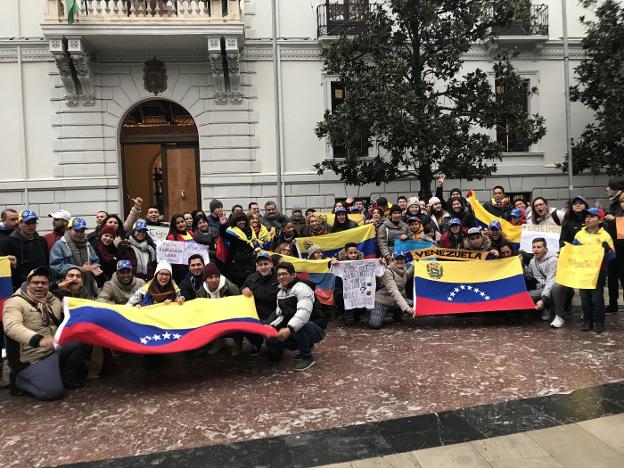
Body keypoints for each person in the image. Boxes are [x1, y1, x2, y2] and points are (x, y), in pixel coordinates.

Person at [2, 266, 91, 400]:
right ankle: (19, 380)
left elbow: (76, 309)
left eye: (43, 283)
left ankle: (66, 379)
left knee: (81, 340)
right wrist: (38, 340)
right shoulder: (14, 303)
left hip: (52, 349)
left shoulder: (53, 301)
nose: (39, 286)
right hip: (32, 359)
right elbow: (12, 327)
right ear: (27, 284)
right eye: (35, 283)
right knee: (53, 392)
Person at [266, 262, 326, 372]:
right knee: (275, 339)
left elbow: (303, 313)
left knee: (300, 324)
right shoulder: (280, 293)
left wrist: (289, 329)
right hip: (295, 327)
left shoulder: (302, 288)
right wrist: (271, 327)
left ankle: (307, 356)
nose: (281, 277)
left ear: (293, 275)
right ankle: (306, 345)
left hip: (315, 327)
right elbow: (280, 315)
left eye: (284, 274)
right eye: (279, 275)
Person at [573, 208, 615, 333]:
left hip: (598, 272)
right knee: (584, 297)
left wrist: (607, 251)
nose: (588, 218)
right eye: (587, 216)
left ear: (600, 220)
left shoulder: (605, 236)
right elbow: (573, 251)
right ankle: (587, 320)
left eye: (592, 216)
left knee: (597, 298)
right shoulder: (579, 234)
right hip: (583, 271)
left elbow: (613, 256)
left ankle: (599, 321)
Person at [49, 217, 100, 298]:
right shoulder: (60, 245)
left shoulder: (87, 244)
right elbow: (56, 266)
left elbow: (95, 260)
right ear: (69, 230)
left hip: (87, 286)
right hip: (67, 288)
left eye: (82, 231)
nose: (79, 233)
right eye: (76, 231)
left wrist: (94, 267)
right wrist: (80, 269)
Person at [0, 210, 49, 291]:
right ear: (19, 224)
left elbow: (47, 263)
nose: (31, 226)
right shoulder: (7, 242)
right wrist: (8, 262)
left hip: (41, 285)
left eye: (33, 223)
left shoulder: (42, 241)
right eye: (27, 223)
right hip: (19, 287)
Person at [369, 252, 413, 330]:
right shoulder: (386, 271)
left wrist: (416, 265)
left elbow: (407, 275)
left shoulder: (404, 268)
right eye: (397, 259)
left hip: (395, 301)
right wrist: (406, 308)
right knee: (374, 324)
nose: (400, 261)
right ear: (392, 260)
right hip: (382, 301)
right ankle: (382, 312)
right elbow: (394, 290)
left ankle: (397, 315)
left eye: (402, 259)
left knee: (412, 304)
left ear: (404, 260)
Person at [523, 238, 558, 321]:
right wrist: (523, 266)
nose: (536, 249)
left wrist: (543, 300)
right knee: (523, 296)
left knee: (551, 289)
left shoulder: (553, 261)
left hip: (551, 286)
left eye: (539, 247)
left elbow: (550, 282)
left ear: (545, 249)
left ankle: (547, 307)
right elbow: (530, 277)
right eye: (534, 247)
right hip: (539, 287)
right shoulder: (532, 261)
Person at [220, 212, 257, 287]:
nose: (241, 222)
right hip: (236, 265)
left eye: (243, 220)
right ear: (235, 222)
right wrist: (223, 225)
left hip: (250, 264)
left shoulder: (250, 230)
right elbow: (223, 235)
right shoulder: (231, 231)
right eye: (239, 220)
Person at [242, 252, 280, 323]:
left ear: (271, 264)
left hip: (272, 320)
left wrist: (267, 322)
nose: (263, 267)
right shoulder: (251, 277)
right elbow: (241, 289)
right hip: (252, 318)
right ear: (257, 266)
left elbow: (281, 306)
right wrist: (243, 290)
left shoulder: (279, 279)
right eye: (260, 265)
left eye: (266, 264)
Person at [605, 177, 624, 313]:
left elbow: (622, 229)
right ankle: (613, 305)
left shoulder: (621, 201)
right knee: (611, 277)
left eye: (609, 186)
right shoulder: (615, 202)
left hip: (621, 249)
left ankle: (613, 305)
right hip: (614, 247)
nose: (607, 189)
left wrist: (613, 219)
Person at [166, 213, 196, 284]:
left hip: (193, 267)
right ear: (174, 225)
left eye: (182, 221)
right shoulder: (171, 237)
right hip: (180, 270)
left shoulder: (191, 233)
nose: (181, 224)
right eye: (178, 223)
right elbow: (170, 255)